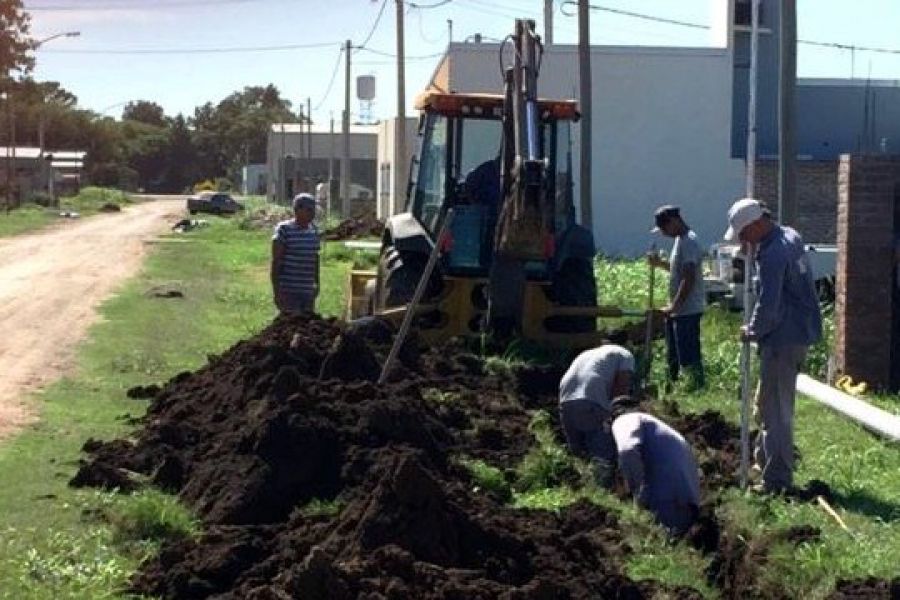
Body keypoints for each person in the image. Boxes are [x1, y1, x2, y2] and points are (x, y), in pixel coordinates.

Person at [724, 197, 822, 494]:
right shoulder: (789, 236)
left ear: (755, 225)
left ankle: (777, 479)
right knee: (767, 402)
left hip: (782, 337)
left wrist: (752, 330)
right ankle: (763, 459)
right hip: (797, 332)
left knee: (776, 410)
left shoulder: (773, 255)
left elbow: (769, 305)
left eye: (743, 234)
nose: (743, 241)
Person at [609, 396, 701, 535]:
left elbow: (627, 450)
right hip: (685, 497)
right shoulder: (653, 425)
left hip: (666, 498)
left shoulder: (625, 420)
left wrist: (637, 491)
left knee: (663, 542)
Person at [558, 344, 634, 486]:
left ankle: (582, 490)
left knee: (579, 456)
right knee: (602, 456)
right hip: (592, 401)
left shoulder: (588, 353)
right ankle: (603, 492)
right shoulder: (625, 354)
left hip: (565, 399)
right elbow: (620, 391)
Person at [648, 205, 706, 389]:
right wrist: (659, 264)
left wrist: (674, 306)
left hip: (687, 310)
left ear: (674, 222)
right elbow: (678, 271)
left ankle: (695, 387)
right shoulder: (679, 241)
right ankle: (676, 385)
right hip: (679, 310)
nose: (664, 234)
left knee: (688, 354)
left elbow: (689, 277)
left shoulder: (689, 241)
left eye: (664, 229)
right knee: (674, 354)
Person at [271, 193, 321, 314]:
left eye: (313, 210)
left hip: (307, 290)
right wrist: (277, 291)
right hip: (288, 290)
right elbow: (276, 261)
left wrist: (317, 283)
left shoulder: (314, 230)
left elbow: (315, 258)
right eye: (308, 210)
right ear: (297, 210)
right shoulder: (284, 229)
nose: (312, 214)